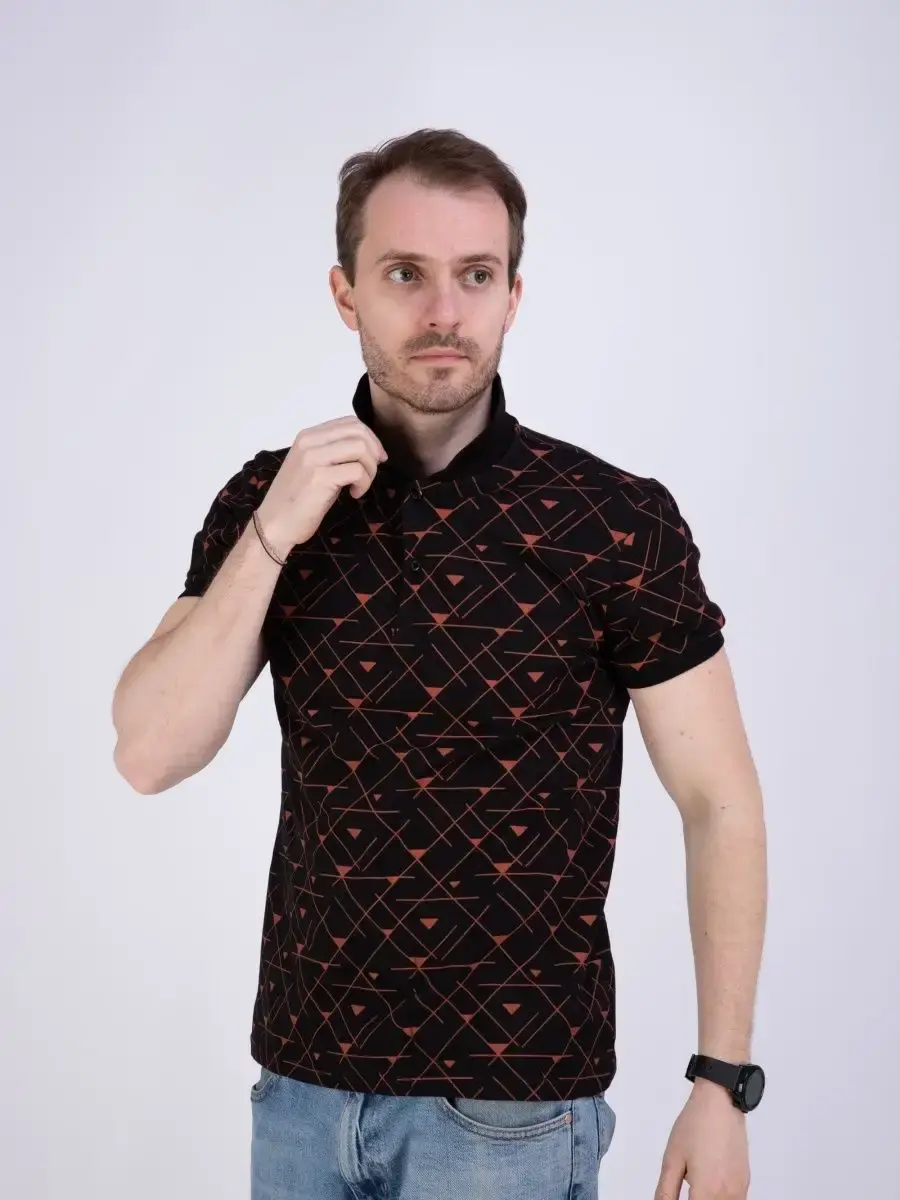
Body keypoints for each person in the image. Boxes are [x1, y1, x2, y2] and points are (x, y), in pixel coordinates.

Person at [112, 128, 768, 1200]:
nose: (444, 312)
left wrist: (721, 1082)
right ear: (346, 293)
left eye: (476, 275)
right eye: (405, 274)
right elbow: (149, 751)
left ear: (513, 297)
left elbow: (719, 799)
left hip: (509, 1114)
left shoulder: (611, 521)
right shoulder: (269, 503)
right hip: (300, 1095)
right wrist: (276, 529)